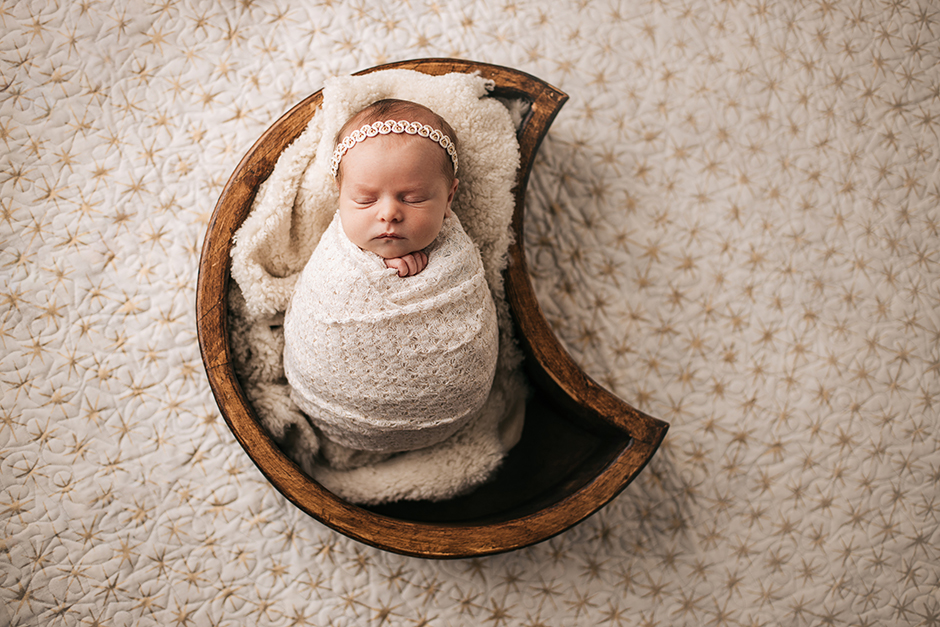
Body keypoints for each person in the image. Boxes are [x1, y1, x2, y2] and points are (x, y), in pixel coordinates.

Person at [281, 99, 499, 461]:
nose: (389, 214)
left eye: (413, 199)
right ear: (340, 197)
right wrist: (378, 275)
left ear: (449, 197)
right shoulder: (337, 255)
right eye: (365, 200)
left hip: (445, 415)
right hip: (331, 404)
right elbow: (326, 292)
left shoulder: (454, 256)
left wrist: (412, 276)